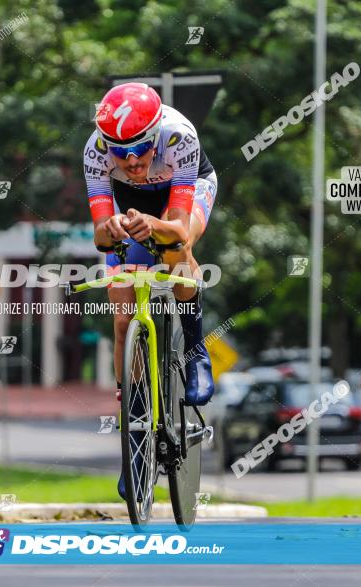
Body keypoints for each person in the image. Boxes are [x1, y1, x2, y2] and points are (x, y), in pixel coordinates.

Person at [83, 82, 217, 499]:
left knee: (177, 250)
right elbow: (102, 239)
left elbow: (176, 226)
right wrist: (115, 228)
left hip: (186, 193)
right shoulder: (94, 151)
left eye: (138, 149)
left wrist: (154, 227)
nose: (129, 160)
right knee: (123, 320)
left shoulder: (180, 136)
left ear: (155, 134)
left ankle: (195, 351)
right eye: (118, 152)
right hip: (130, 205)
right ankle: (135, 441)